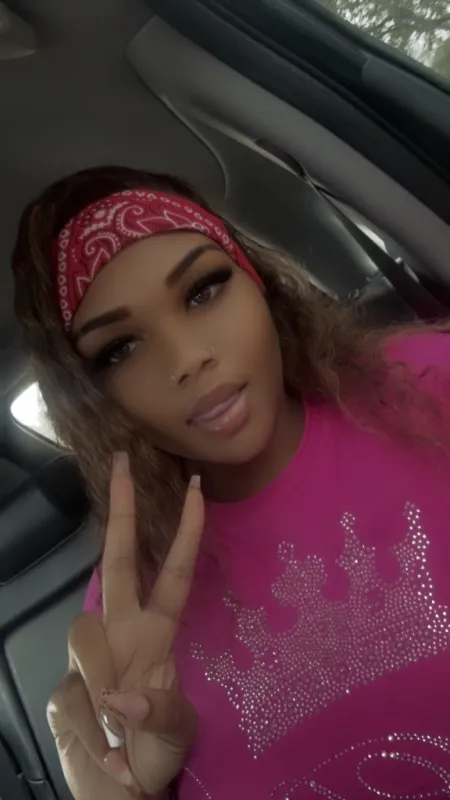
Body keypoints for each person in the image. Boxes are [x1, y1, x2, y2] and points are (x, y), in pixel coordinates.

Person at [12, 165, 450, 800]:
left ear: (256, 279)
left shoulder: (429, 386)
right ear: (95, 402)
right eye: (119, 350)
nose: (188, 358)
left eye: (203, 291)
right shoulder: (131, 611)